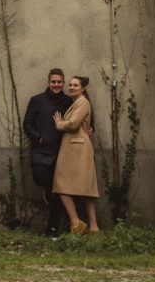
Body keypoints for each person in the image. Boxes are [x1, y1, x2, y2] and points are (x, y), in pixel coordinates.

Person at [23, 68, 72, 235]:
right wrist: (38, 138)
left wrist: (90, 127)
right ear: (48, 82)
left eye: (59, 82)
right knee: (41, 178)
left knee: (57, 190)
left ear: (63, 83)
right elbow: (27, 124)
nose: (56, 85)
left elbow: (81, 114)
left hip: (61, 153)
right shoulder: (37, 100)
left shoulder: (68, 101)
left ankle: (52, 227)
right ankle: (50, 191)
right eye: (53, 82)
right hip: (40, 152)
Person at [52, 75, 100, 234]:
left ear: (83, 88)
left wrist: (59, 124)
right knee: (85, 188)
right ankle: (91, 227)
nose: (71, 87)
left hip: (77, 148)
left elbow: (73, 124)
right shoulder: (78, 102)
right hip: (75, 148)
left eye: (75, 85)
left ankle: (76, 223)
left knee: (62, 184)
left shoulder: (83, 102)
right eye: (70, 85)